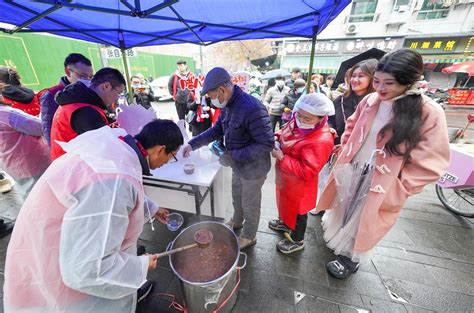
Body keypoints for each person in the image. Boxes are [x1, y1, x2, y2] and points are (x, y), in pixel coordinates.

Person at [4, 119, 184, 313]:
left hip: (45, 238)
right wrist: (140, 265)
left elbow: (115, 194)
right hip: (57, 270)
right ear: (160, 149)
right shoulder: (113, 183)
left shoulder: (117, 143)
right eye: (171, 156)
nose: (167, 163)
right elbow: (88, 270)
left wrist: (152, 207)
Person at [316, 49, 450, 279]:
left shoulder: (428, 111)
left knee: (365, 218)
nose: (380, 88)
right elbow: (352, 125)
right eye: (377, 81)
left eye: (389, 83)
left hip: (383, 179)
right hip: (354, 166)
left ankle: (350, 258)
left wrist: (401, 187)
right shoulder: (370, 99)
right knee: (344, 207)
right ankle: (341, 245)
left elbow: (431, 160)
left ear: (409, 82)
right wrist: (345, 149)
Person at [182, 67, 274, 249]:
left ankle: (249, 236)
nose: (212, 100)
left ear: (222, 90)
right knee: (237, 195)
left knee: (250, 203)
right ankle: (237, 221)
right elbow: (217, 130)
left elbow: (266, 144)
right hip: (238, 165)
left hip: (254, 169)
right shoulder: (228, 106)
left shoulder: (252, 108)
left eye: (212, 95)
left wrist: (231, 156)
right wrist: (192, 144)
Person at [268, 93, 335, 254]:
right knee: (283, 203)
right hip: (286, 178)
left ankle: (298, 240)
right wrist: (277, 138)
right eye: (300, 115)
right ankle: (285, 223)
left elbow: (308, 170)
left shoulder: (322, 140)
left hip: (300, 185)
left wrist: (282, 158)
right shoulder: (297, 120)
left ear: (321, 118)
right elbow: (283, 131)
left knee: (299, 212)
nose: (301, 120)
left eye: (308, 118)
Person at [50, 67, 126, 160]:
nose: (118, 97)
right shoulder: (84, 111)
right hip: (75, 169)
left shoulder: (77, 101)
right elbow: (105, 148)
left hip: (68, 166)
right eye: (119, 92)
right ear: (106, 86)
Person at [0, 91, 50, 201]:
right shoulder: (8, 114)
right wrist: (44, 110)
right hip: (32, 164)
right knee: (41, 196)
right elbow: (42, 127)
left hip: (12, 164)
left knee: (29, 194)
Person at [39, 53, 93, 147]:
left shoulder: (87, 91)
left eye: (90, 77)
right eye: (83, 76)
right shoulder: (50, 95)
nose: (87, 80)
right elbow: (48, 130)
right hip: (67, 149)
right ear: (68, 72)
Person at [329, 59, 378, 145]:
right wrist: (330, 128)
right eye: (353, 76)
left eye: (360, 76)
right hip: (339, 148)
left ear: (372, 78)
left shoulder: (377, 102)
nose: (355, 80)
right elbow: (329, 119)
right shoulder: (340, 100)